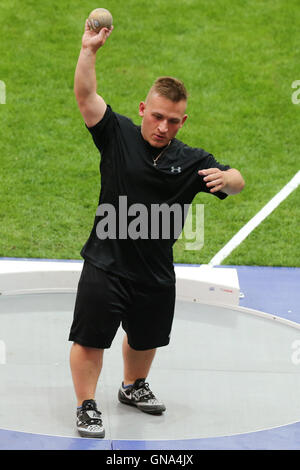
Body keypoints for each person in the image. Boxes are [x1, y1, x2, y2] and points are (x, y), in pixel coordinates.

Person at [69, 20, 245, 439]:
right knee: (90, 339)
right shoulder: (117, 135)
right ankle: (87, 404)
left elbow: (235, 177)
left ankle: (133, 386)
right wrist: (89, 50)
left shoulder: (190, 160)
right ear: (144, 110)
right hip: (105, 264)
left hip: (154, 272)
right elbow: (86, 95)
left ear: (183, 121)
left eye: (173, 121)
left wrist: (231, 180)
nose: (163, 127)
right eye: (158, 116)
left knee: (146, 339)